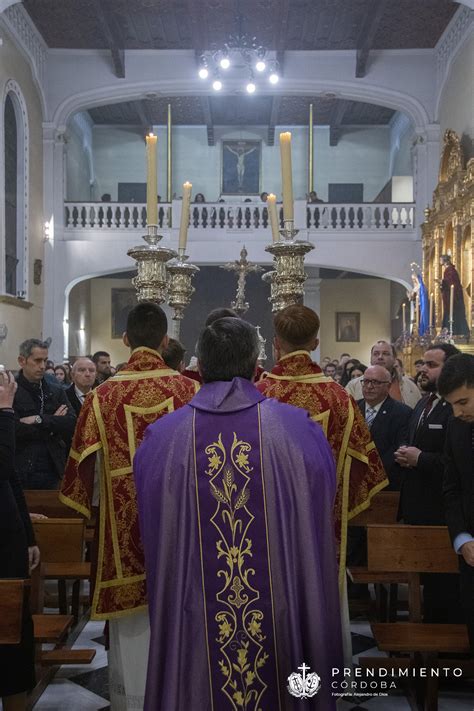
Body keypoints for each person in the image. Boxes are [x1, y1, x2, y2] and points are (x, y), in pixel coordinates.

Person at [134, 317, 343, 710]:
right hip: (280, 610)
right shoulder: (298, 431)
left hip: (194, 612)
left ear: (201, 365)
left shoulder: (164, 438)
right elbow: (318, 512)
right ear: (254, 365)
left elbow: (156, 531)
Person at [59, 303, 198, 710]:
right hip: (181, 528)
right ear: (165, 340)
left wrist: (88, 510)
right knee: (180, 613)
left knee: (132, 631)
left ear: (125, 340)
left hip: (123, 537)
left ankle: (133, 701)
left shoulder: (102, 396)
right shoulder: (189, 391)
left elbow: (77, 475)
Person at [256, 305, 387, 590]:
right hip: (322, 523)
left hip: (267, 523)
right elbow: (366, 467)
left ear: (276, 343)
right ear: (315, 343)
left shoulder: (258, 395)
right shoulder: (339, 398)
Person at [395, 343, 461, 623]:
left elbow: (457, 463)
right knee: (428, 588)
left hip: (442, 513)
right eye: (421, 363)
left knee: (445, 592)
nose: (422, 369)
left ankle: (450, 658)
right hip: (417, 510)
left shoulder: (455, 408)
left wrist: (421, 459)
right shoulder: (424, 402)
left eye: (431, 365)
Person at [0, 370, 40, 711]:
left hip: (8, 542)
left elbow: (10, 477)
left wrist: (28, 535)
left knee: (14, 640)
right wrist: (5, 412)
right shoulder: (4, 414)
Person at [439, 354, 474, 654]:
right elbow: (451, 489)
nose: (457, 412)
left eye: (463, 402)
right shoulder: (457, 427)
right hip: (471, 557)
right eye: (451, 404)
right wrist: (462, 539)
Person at [13, 339, 76, 490]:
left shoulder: (55, 390)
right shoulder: (10, 391)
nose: (42, 366)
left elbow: (71, 423)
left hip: (53, 466)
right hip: (20, 467)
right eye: (37, 360)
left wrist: (40, 419)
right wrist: (54, 423)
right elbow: (14, 429)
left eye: (45, 361)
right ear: (22, 361)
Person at [358, 365, 412, 490]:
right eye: (366, 381)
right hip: (355, 482)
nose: (369, 386)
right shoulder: (352, 407)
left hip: (386, 482)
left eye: (376, 382)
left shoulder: (402, 413)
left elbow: (400, 448)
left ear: (388, 386)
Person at [346, 340, 421, 408]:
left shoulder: (410, 386)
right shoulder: (353, 386)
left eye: (385, 354)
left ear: (394, 359)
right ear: (371, 358)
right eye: (376, 354)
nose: (380, 357)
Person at [440, 254, 470, 337]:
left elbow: (452, 283)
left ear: (444, 261)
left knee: (455, 314)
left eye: (441, 259)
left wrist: (442, 282)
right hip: (449, 297)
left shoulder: (450, 270)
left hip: (453, 298)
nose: (440, 261)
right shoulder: (448, 270)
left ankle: (456, 332)